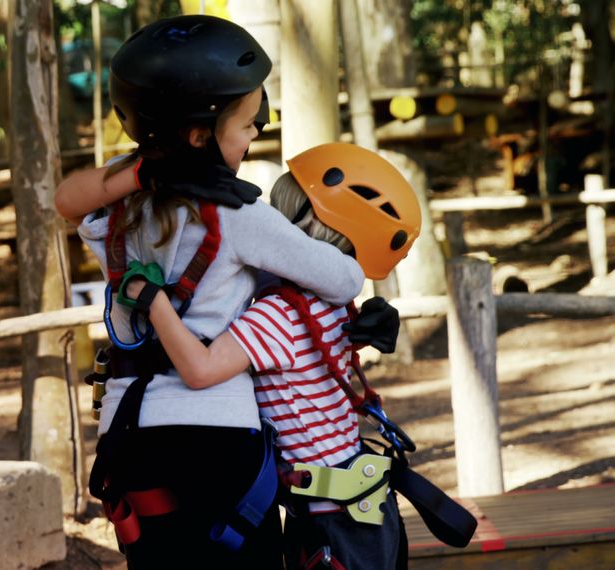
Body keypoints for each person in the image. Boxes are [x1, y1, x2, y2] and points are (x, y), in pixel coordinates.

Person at [55, 15, 368, 569]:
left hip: (128, 437)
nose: (254, 136)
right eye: (247, 125)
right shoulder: (241, 213)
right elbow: (344, 278)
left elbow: (65, 200)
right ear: (200, 134)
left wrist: (143, 172)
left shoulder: (120, 198)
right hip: (216, 438)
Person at [123, 142, 422, 569]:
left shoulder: (277, 314)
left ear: (306, 225)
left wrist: (153, 301)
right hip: (358, 507)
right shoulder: (330, 303)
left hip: (331, 521)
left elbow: (200, 370)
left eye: (280, 212)